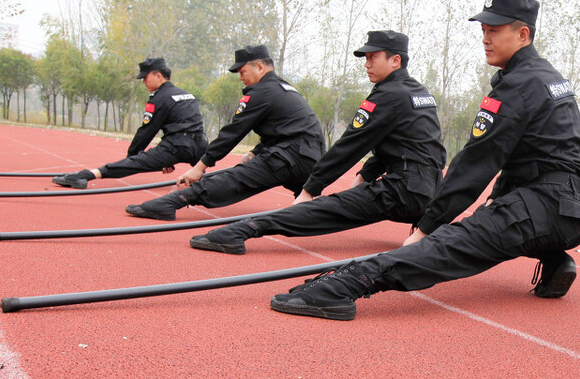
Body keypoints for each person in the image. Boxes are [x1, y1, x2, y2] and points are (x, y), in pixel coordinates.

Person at [268, 0, 580, 320]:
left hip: (544, 206)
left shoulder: (518, 85)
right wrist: (496, 198)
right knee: (492, 219)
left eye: (494, 31)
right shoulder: (547, 76)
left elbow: (476, 161)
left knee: (450, 242)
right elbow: (531, 154)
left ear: (523, 34)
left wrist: (426, 228)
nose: (485, 39)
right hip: (575, 212)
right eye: (483, 30)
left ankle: (343, 287)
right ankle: (555, 259)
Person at [187, 31, 445, 255]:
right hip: (430, 193)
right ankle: (425, 229)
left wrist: (310, 189)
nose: (366, 64)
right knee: (349, 201)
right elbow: (405, 145)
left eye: (372, 58)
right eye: (365, 58)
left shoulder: (389, 94)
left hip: (402, 191)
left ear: (395, 60)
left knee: (326, 209)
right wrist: (364, 176)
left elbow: (350, 145)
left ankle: (241, 231)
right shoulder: (419, 93)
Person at [125, 45, 323, 221]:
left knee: (236, 178)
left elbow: (232, 133)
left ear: (260, 67)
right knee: (305, 211)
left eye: (243, 72)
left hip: (291, 156)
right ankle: (310, 212)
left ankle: (174, 201)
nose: (241, 78)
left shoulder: (262, 91)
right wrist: (254, 152)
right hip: (310, 158)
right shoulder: (284, 88)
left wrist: (200, 166)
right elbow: (287, 130)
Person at [51, 58, 206, 189]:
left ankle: (85, 175)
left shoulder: (159, 98)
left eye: (145, 78)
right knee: (205, 177)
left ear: (158, 76)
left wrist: (131, 158)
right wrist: (166, 159)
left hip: (177, 146)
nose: (143, 82)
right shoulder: (187, 95)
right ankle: (203, 182)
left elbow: (147, 131)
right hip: (200, 145)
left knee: (136, 162)